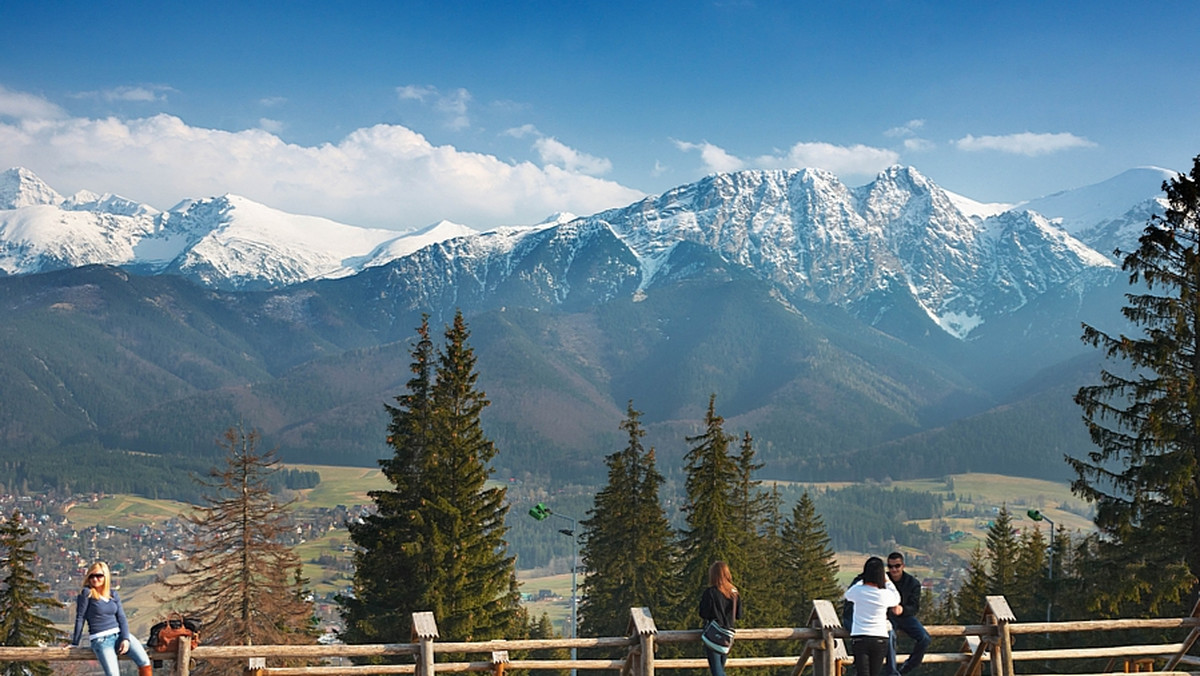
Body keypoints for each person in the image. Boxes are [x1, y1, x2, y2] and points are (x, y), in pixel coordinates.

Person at [69, 562, 153, 676]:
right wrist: (75, 643)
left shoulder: (113, 594)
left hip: (119, 634)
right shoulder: (87, 593)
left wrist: (125, 638)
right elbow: (80, 617)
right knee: (113, 674)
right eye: (91, 576)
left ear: (106, 576)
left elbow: (121, 617)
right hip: (101, 640)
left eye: (99, 576)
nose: (95, 579)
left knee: (144, 661)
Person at [844, 557, 902, 676]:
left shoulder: (858, 591)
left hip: (860, 637)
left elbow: (847, 594)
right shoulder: (884, 595)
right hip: (880, 637)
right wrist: (888, 581)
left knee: (862, 673)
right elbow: (897, 598)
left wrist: (862, 579)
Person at [886, 552, 932, 674]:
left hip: (906, 617)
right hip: (887, 618)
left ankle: (908, 667)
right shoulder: (882, 581)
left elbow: (915, 607)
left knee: (924, 638)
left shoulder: (913, 583)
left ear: (903, 566)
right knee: (890, 637)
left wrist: (902, 609)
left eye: (897, 566)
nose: (894, 569)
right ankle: (892, 673)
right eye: (890, 566)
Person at [699, 560, 743, 676]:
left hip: (714, 633)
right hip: (728, 634)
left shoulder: (710, 592)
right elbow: (738, 615)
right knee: (720, 668)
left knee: (717, 670)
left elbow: (703, 613)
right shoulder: (734, 593)